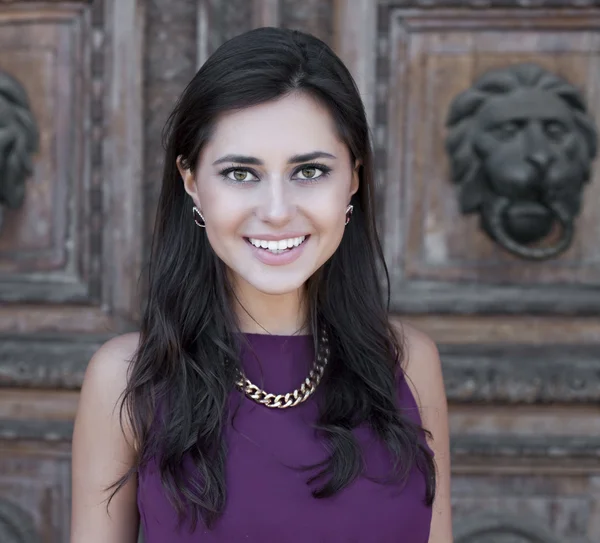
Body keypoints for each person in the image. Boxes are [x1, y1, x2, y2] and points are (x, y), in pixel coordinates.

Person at [70, 27, 452, 542]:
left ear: (354, 178)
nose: (276, 212)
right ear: (191, 182)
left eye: (311, 171)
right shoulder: (127, 379)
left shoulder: (408, 363)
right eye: (241, 174)